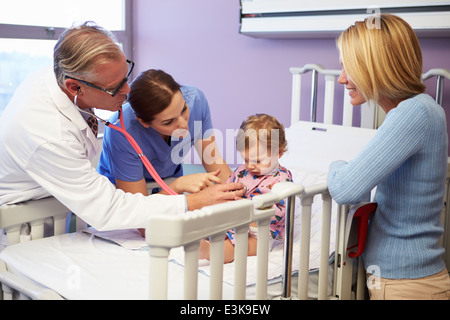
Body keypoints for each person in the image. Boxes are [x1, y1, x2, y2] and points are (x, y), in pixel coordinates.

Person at [0, 21, 244, 232]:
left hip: (54, 204)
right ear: (75, 87)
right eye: (115, 88)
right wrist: (191, 200)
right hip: (19, 221)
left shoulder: (60, 74)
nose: (128, 93)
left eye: (126, 77)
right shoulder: (48, 134)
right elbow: (110, 211)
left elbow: (217, 167)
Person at [327, 14, 450, 300]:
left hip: (407, 284)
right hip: (406, 280)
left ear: (376, 67)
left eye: (349, 67)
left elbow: (345, 188)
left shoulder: (413, 113)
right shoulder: (421, 111)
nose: (342, 78)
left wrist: (335, 163)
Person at [97, 69, 232, 197]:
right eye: (168, 122)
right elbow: (138, 208)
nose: (184, 125)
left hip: (169, 180)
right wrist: (178, 185)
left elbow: (212, 158)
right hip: (121, 191)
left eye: (184, 109)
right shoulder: (120, 129)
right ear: (144, 122)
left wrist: (239, 195)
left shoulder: (196, 100)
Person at [199, 114, 293, 263]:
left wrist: (251, 210)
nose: (250, 165)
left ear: (278, 152)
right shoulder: (243, 171)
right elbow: (229, 187)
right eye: (246, 159)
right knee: (213, 220)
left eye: (257, 160)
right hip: (235, 221)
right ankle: (202, 235)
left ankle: (208, 251)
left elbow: (281, 210)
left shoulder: (282, 179)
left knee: (241, 247)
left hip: (262, 230)